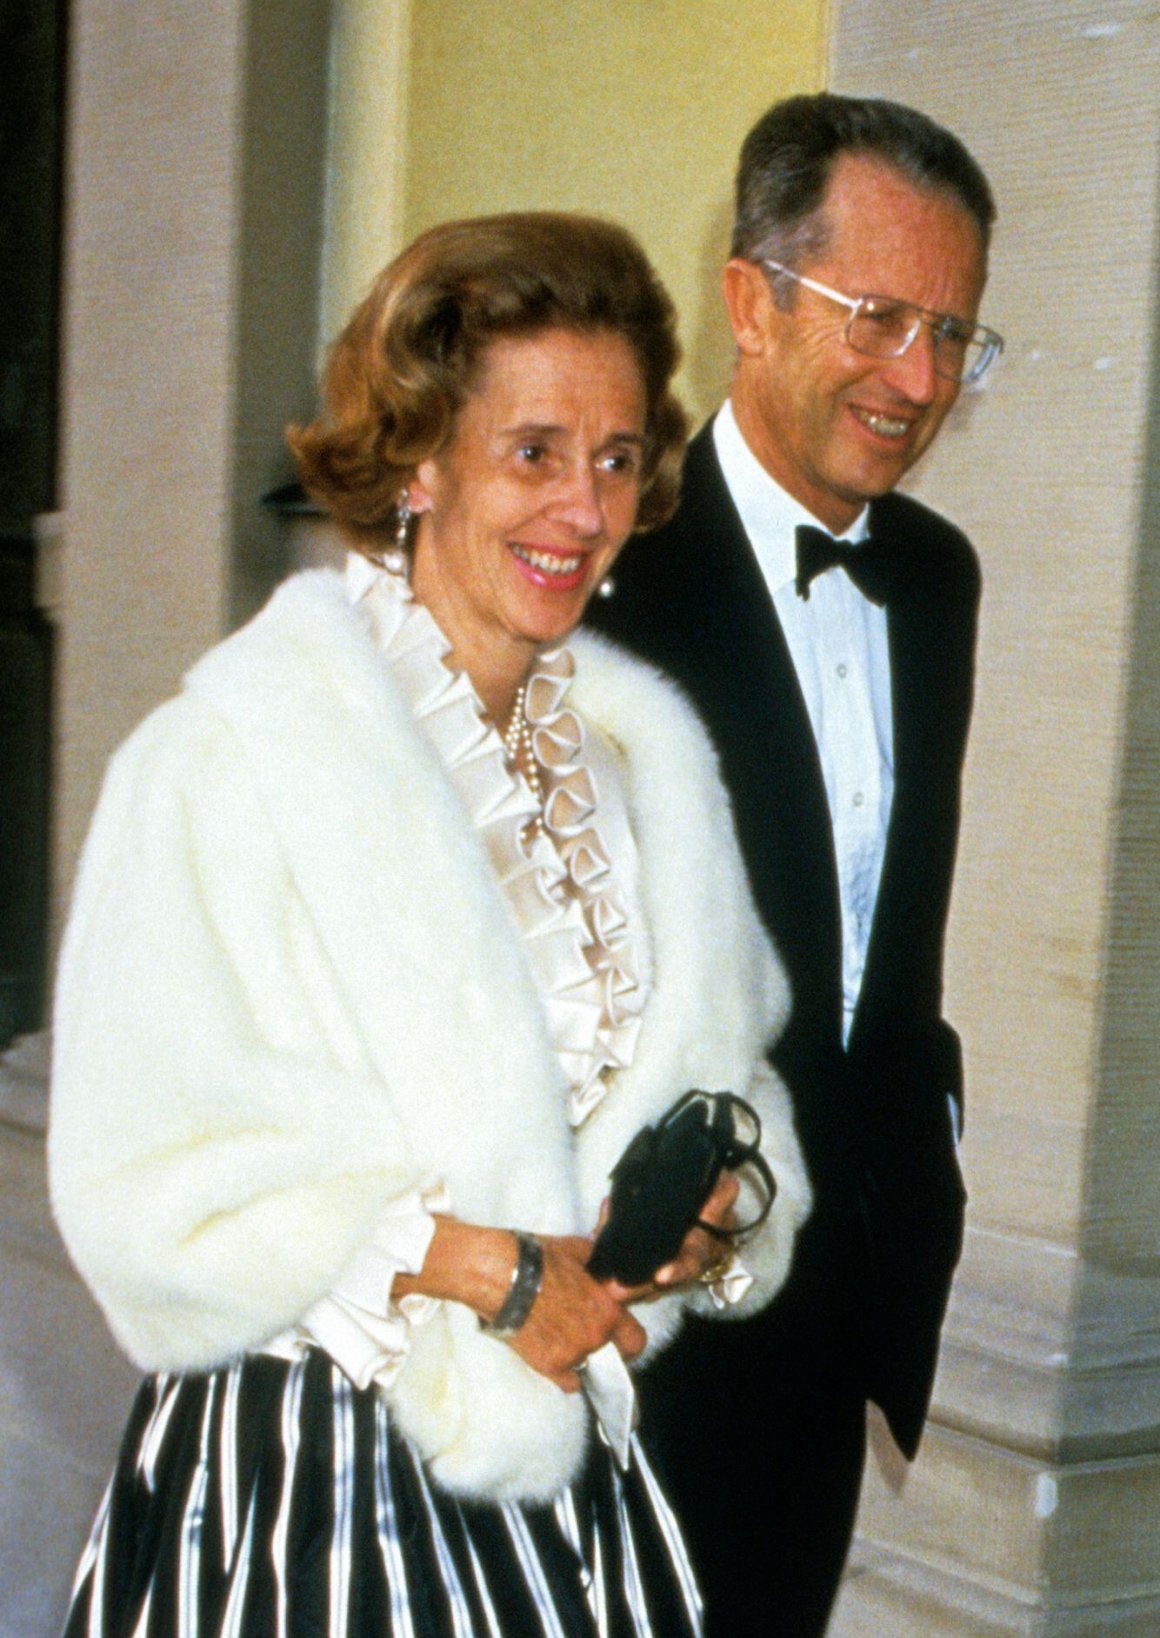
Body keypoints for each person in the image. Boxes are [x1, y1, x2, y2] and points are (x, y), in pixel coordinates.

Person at [48, 212, 810, 1638]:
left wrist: (706, 1219)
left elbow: (728, 1074)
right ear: (419, 458)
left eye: (619, 456)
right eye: (534, 451)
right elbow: (139, 1182)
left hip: (558, 1478)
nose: (582, 509)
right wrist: (485, 1265)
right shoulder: (231, 762)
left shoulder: (642, 772)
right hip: (310, 1493)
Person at [587, 94, 1000, 1635]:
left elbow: (881, 951)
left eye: (957, 334)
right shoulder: (600, 569)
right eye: (880, 315)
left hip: (838, 1313)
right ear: (751, 301)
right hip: (628, 1321)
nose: (921, 379)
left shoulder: (940, 580)